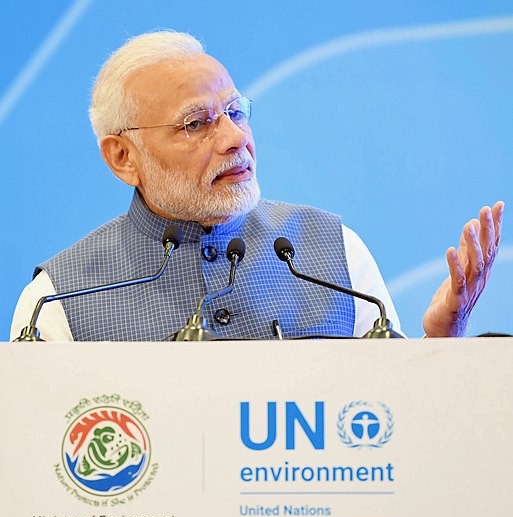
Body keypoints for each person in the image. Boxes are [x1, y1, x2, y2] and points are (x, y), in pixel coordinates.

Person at [10, 31, 504, 342]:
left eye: (235, 112)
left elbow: (397, 434)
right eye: (196, 124)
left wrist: (443, 345)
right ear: (123, 157)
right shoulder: (57, 300)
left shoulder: (332, 252)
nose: (234, 139)